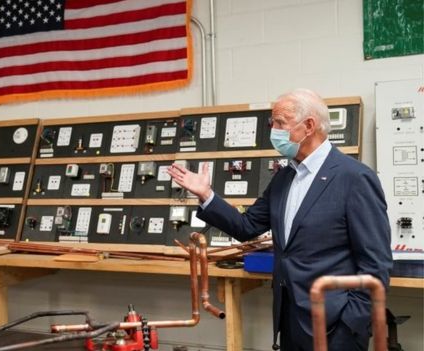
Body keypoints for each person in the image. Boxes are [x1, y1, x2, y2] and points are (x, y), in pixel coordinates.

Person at [168, 89, 392, 350]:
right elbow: (246, 226)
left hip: (336, 326)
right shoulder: (284, 178)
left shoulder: (354, 178)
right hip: (289, 319)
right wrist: (207, 195)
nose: (273, 130)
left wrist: (351, 323)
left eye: (280, 123)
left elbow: (376, 264)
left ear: (309, 126)